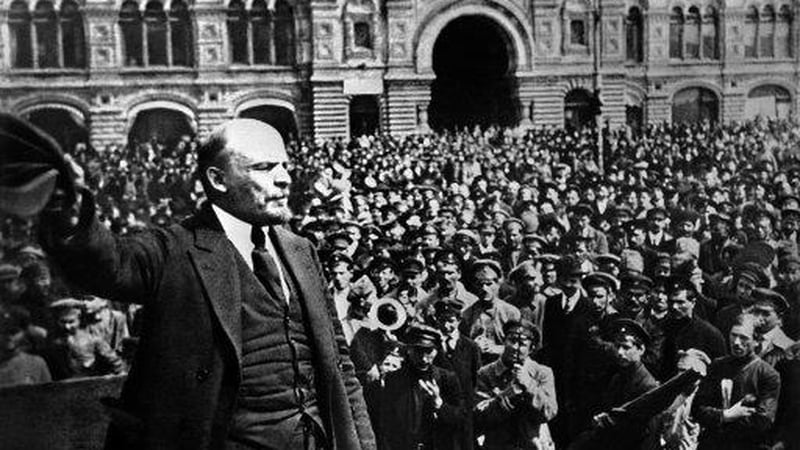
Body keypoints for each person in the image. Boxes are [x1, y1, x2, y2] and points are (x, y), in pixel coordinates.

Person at [38, 119, 375, 449]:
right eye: (264, 167)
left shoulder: (302, 251)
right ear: (218, 179)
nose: (285, 179)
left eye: (284, 166)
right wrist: (72, 214)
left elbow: (340, 364)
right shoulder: (174, 249)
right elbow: (111, 263)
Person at [692, 314, 781, 450]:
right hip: (711, 444)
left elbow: (763, 421)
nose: (736, 342)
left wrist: (717, 419)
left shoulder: (767, 374)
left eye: (744, 338)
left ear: (756, 341)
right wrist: (727, 415)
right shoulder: (717, 366)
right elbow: (698, 409)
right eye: (733, 335)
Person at [377, 324, 466, 450]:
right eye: (418, 351)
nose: (424, 359)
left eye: (429, 351)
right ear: (409, 349)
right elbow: (386, 425)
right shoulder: (394, 380)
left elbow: (463, 419)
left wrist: (440, 405)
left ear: (436, 350)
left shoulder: (447, 379)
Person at [474, 320, 557, 450]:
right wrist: (506, 395)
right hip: (497, 444)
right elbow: (479, 416)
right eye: (511, 340)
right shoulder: (486, 373)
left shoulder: (542, 373)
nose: (514, 347)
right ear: (503, 341)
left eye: (522, 344)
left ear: (532, 348)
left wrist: (528, 384)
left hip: (534, 444)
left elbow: (549, 412)